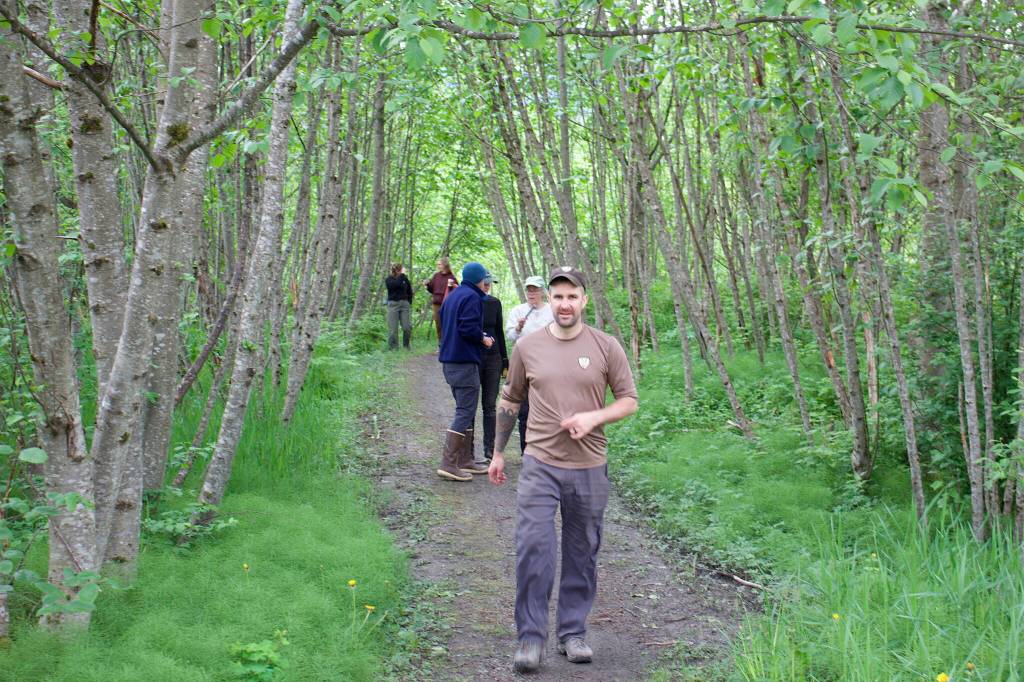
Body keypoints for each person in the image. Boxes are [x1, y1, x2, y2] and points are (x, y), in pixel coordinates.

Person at [488, 266, 638, 673]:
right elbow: (511, 399)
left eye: (572, 296)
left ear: (584, 300)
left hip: (589, 465)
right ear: (548, 301)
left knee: (581, 552)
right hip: (540, 463)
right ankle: (530, 638)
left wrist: (593, 418)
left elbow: (628, 400)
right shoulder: (528, 347)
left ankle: (572, 632)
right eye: (558, 297)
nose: (565, 303)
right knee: (533, 548)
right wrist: (498, 453)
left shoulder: (607, 347)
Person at [436, 261, 494, 481]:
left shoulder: (453, 295)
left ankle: (465, 460)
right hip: (463, 361)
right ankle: (449, 463)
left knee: (465, 410)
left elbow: (443, 320)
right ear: (478, 279)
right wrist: (483, 339)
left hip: (450, 361)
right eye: (484, 279)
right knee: (465, 411)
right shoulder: (471, 297)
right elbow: (468, 328)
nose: (486, 284)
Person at [504, 275, 554, 454]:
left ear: (543, 291)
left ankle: (545, 449)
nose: (531, 293)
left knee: (546, 408)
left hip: (547, 365)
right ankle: (527, 451)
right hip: (523, 364)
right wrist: (518, 328)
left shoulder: (551, 311)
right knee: (524, 410)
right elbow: (510, 336)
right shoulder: (518, 311)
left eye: (535, 289)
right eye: (529, 290)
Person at [472, 275, 508, 467]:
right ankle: (466, 450)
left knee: (490, 405)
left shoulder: (495, 303)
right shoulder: (469, 301)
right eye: (483, 283)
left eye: (489, 283)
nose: (486, 286)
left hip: (493, 358)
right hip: (473, 358)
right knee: (469, 405)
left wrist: (504, 359)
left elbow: (499, 331)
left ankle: (489, 448)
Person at [423, 257, 458, 349]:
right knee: (438, 324)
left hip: (447, 304)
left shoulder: (451, 277)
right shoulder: (436, 276)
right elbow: (432, 289)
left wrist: (451, 287)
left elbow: (456, 290)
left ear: (445, 265)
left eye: (439, 264)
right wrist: (427, 284)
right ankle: (441, 344)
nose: (438, 266)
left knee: (447, 324)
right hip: (436, 303)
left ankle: (449, 344)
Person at [384, 262, 414, 350]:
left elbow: (409, 291)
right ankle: (393, 348)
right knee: (393, 329)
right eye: (401, 269)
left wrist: (409, 302)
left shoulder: (405, 279)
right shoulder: (389, 279)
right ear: (398, 270)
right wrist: (402, 275)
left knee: (407, 327)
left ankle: (406, 345)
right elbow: (395, 285)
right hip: (393, 304)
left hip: (404, 305)